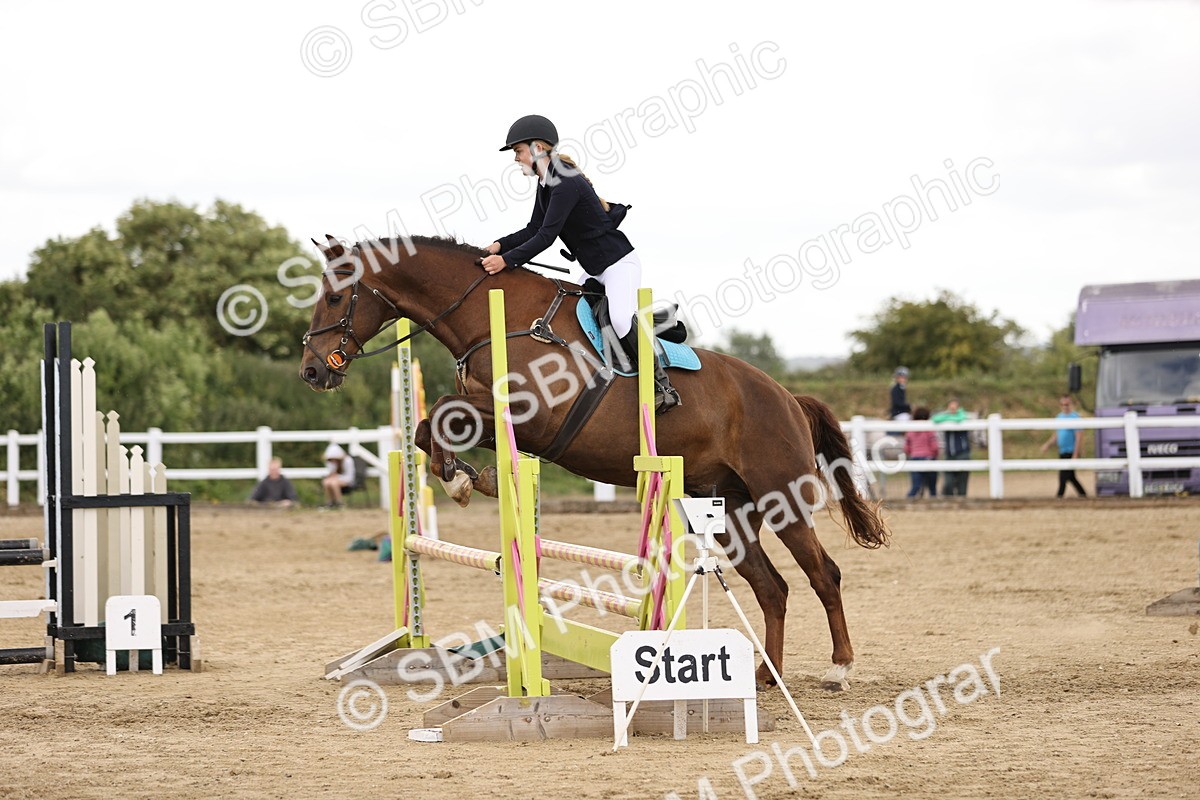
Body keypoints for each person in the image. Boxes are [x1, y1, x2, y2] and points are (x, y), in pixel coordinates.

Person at [479, 114, 680, 412]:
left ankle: (663, 386)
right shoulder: (547, 183)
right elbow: (533, 228)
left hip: (618, 264)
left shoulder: (565, 182)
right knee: (577, 316)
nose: (516, 159)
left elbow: (547, 236)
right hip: (594, 268)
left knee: (621, 319)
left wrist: (506, 261)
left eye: (518, 151)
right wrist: (499, 244)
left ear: (536, 148)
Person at [1041, 395, 1087, 497]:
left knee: (1063, 476)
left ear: (1071, 405)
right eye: (1062, 405)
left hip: (1071, 451)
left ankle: (1059, 496)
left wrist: (1076, 453)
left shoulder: (1075, 418)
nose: (1065, 407)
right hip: (1063, 451)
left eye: (1067, 404)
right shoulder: (1059, 417)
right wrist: (1048, 445)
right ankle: (1083, 494)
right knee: (1070, 476)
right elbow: (1056, 434)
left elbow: (1079, 437)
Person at [932, 398, 971, 496]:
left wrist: (948, 419)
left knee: (962, 483)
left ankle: (962, 502)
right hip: (949, 454)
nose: (952, 408)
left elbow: (960, 418)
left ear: (958, 407)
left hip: (962, 454)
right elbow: (935, 419)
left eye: (954, 406)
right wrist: (948, 417)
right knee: (948, 483)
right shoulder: (945, 416)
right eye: (951, 406)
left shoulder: (963, 416)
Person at [904, 407, 939, 499]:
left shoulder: (910, 430)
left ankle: (909, 499)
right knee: (932, 486)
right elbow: (934, 446)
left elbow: (906, 448)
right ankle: (934, 500)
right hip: (929, 458)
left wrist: (913, 452)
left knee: (916, 485)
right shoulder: (929, 429)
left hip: (914, 457)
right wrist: (935, 453)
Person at [321, 443, 356, 509]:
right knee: (326, 482)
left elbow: (350, 477)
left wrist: (336, 477)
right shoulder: (330, 462)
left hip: (347, 481)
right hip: (335, 480)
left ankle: (340, 503)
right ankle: (329, 502)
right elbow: (331, 473)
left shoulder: (348, 461)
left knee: (333, 483)